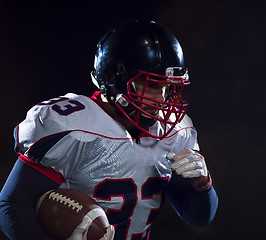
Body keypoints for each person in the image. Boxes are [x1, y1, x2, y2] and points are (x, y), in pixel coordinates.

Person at [0, 20, 218, 240]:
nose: (162, 98)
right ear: (113, 78)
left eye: (168, 87)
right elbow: (11, 204)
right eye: (152, 85)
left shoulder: (173, 132)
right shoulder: (76, 126)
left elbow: (199, 218)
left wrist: (203, 185)